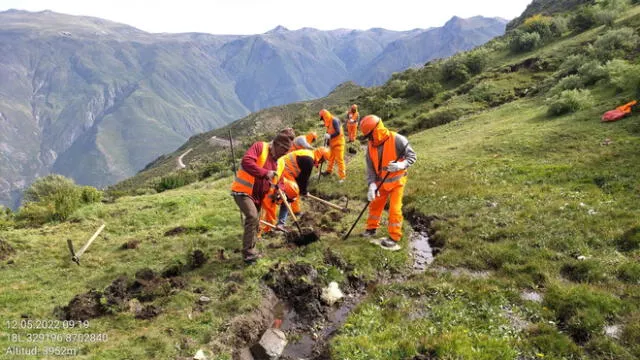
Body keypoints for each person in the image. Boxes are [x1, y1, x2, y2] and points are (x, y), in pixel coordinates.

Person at [230, 129, 294, 263]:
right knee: (252, 216)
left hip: (258, 196)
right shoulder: (260, 147)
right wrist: (265, 173)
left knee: (255, 221)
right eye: (283, 150)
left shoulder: (280, 162)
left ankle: (251, 249)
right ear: (276, 144)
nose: (284, 154)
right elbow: (246, 161)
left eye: (286, 152)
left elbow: (280, 181)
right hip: (243, 191)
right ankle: (248, 254)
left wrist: (279, 192)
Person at [359, 115, 417, 248]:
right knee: (375, 205)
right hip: (380, 182)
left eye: (369, 135)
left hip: (397, 181)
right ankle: (371, 229)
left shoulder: (397, 139)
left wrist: (401, 165)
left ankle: (394, 237)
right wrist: (371, 185)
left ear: (376, 130)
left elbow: (412, 156)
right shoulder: (371, 145)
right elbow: (370, 167)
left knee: (395, 209)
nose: (368, 139)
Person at [262, 147, 331, 232]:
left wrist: (303, 191)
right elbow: (304, 178)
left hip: (287, 170)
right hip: (284, 169)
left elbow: (301, 177)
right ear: (320, 156)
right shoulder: (308, 160)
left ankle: (284, 220)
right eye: (323, 160)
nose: (321, 162)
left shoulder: (309, 155)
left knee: (291, 194)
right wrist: (304, 191)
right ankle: (273, 225)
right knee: (288, 194)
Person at [319, 109, 346, 182]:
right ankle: (328, 171)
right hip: (332, 144)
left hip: (339, 144)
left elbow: (338, 132)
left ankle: (342, 177)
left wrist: (329, 136)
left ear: (325, 116)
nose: (322, 120)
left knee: (339, 160)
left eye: (322, 118)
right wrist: (328, 141)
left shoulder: (334, 120)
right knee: (331, 158)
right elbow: (330, 132)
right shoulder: (328, 123)